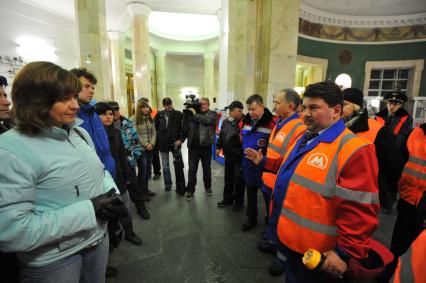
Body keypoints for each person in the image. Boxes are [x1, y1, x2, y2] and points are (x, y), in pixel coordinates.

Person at [0, 61, 127, 282]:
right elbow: (12, 231)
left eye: (74, 96)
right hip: (54, 260)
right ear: (36, 101)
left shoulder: (77, 132)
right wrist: (91, 211)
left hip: (97, 240)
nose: (75, 105)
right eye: (64, 98)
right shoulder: (10, 148)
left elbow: (100, 170)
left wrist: (111, 194)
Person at [274, 81, 379, 283]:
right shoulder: (304, 139)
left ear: (336, 111)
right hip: (292, 243)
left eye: (314, 107)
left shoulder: (354, 149)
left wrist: (344, 253)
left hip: (321, 257)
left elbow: (360, 211)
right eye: (304, 107)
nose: (306, 113)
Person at [245, 89, 306, 276]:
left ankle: (283, 257)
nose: (274, 106)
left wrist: (263, 162)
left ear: (291, 106)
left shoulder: (298, 128)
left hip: (281, 184)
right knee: (273, 216)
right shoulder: (280, 123)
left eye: (278, 102)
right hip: (269, 179)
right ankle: (273, 242)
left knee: (283, 220)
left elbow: (290, 162)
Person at [342, 88, 404, 214]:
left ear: (356, 107)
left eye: (344, 104)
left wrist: (387, 190)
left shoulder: (378, 131)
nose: (338, 108)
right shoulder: (336, 127)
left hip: (365, 198)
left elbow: (394, 165)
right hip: (340, 194)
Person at [378, 123, 426, 283]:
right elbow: (398, 162)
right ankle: (388, 275)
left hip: (423, 206)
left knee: (420, 259)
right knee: (398, 246)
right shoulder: (416, 133)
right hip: (407, 200)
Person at [95, 102, 143, 246]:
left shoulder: (116, 133)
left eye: (110, 114)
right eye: (104, 114)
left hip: (119, 177)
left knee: (125, 207)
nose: (108, 117)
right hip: (102, 180)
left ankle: (129, 232)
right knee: (107, 211)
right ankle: (112, 238)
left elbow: (122, 155)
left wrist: (127, 175)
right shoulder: (94, 135)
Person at [70, 67, 116, 178]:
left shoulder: (94, 114)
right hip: (90, 180)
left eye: (92, 87)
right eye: (86, 86)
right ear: (72, 86)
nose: (92, 91)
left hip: (108, 176)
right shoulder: (70, 117)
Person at [108, 101, 151, 219]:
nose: (115, 112)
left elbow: (135, 140)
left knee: (134, 186)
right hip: (113, 163)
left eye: (117, 109)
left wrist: (133, 155)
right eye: (112, 111)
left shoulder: (126, 123)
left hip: (127, 160)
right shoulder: (105, 126)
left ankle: (141, 208)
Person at [240, 94, 276, 231]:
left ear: (261, 106)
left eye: (253, 109)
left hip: (263, 166)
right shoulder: (246, 121)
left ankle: (270, 225)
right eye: (249, 109)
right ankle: (251, 218)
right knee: (250, 194)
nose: (250, 112)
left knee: (268, 197)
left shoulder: (272, 124)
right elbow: (242, 136)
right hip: (248, 165)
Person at [182, 97, 218, 200]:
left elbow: (208, 121)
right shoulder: (192, 114)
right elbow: (185, 128)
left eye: (204, 104)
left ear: (208, 105)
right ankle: (190, 190)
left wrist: (194, 114)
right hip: (193, 147)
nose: (202, 106)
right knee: (192, 170)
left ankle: (208, 187)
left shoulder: (212, 114)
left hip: (206, 147)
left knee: (207, 169)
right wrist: (186, 115)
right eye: (200, 104)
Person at [216, 100, 245, 211]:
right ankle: (227, 199)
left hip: (239, 156)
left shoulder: (244, 122)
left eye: (232, 110)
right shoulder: (226, 122)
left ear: (239, 111)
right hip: (228, 156)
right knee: (228, 179)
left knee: (238, 180)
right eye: (230, 110)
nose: (230, 112)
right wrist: (219, 147)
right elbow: (222, 135)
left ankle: (239, 202)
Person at [155, 97, 186, 194]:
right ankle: (168, 184)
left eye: (170, 103)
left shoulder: (179, 114)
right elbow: (155, 129)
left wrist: (180, 140)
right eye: (167, 104)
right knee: (165, 166)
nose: (169, 106)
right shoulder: (159, 115)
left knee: (178, 164)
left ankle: (180, 186)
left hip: (175, 143)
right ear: (163, 105)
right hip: (163, 143)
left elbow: (184, 128)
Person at [134, 99, 157, 198]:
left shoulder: (150, 119)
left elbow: (154, 133)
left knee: (148, 170)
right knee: (142, 171)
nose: (146, 109)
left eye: (147, 107)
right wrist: (145, 144)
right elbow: (136, 134)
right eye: (143, 107)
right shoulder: (133, 119)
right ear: (139, 109)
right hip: (141, 149)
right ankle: (141, 193)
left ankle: (146, 189)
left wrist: (151, 143)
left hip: (150, 148)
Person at [139, 97, 161, 180]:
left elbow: (157, 125)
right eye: (142, 104)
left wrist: (152, 141)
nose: (145, 108)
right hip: (144, 142)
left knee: (155, 156)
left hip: (153, 138)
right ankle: (147, 174)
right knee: (145, 164)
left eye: (146, 104)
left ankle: (157, 172)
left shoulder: (154, 111)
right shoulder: (136, 114)